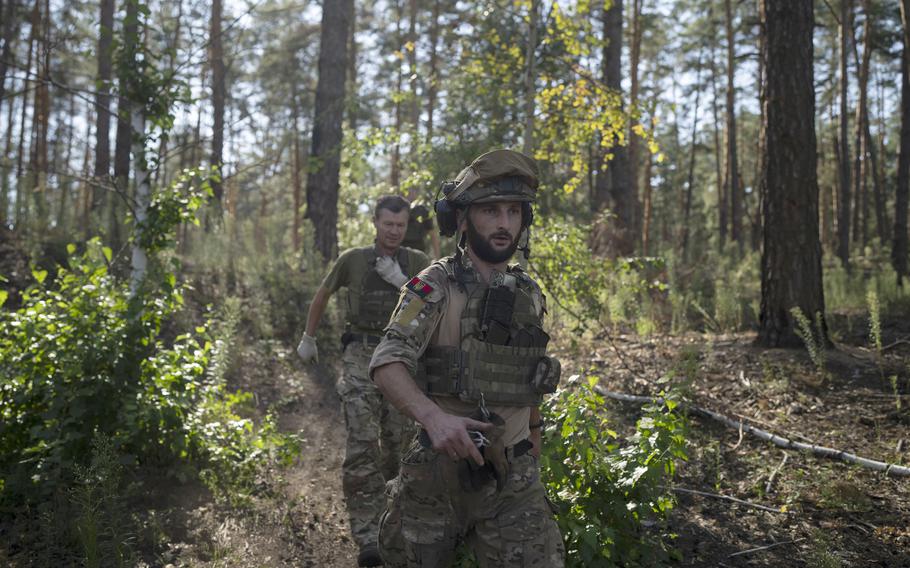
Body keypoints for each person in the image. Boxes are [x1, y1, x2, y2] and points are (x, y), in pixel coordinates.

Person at [369, 149, 565, 567]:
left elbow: (528, 377)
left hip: (513, 473)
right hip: (438, 472)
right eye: (490, 210)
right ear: (461, 219)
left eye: (514, 212)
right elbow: (387, 362)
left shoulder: (527, 292)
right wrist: (435, 418)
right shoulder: (433, 285)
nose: (503, 223)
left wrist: (534, 439)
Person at [297, 195, 431, 567]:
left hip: (401, 357)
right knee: (361, 445)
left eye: (400, 225)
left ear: (407, 227)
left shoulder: (417, 263)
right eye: (387, 224)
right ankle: (367, 537)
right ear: (375, 222)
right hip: (360, 354)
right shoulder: (353, 260)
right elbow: (323, 292)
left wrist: (403, 283)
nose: (393, 231)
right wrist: (308, 337)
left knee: (398, 447)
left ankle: (394, 529)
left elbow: (433, 304)